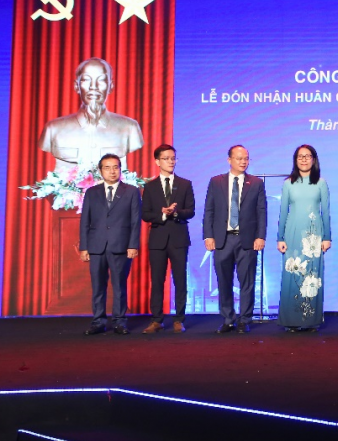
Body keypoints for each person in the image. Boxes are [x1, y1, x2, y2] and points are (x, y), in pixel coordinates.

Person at [203, 145, 266, 334]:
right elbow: (209, 210)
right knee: (224, 281)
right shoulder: (216, 182)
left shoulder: (256, 183)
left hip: (247, 240)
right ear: (229, 160)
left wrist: (260, 236)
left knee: (247, 282)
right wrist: (208, 235)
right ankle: (228, 319)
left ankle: (244, 319)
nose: (243, 162)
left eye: (246, 158)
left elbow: (261, 211)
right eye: (239, 158)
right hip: (222, 239)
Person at [39, 57, 143, 170]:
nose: (93, 86)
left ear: (111, 86)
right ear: (76, 86)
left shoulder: (129, 128)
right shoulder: (53, 129)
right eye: (86, 80)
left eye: (101, 80)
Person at [79, 153, 141, 335]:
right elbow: (85, 221)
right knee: (98, 286)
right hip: (96, 246)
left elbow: (135, 221)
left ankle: (120, 321)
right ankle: (98, 321)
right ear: (100, 171)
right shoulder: (92, 192)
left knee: (119, 285)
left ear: (120, 169)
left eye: (115, 167)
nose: (112, 171)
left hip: (121, 246)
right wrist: (84, 247)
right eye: (107, 168)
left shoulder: (131, 191)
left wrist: (133, 245)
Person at [277, 145, 332, 332]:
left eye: (308, 156)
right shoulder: (288, 183)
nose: (304, 159)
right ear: (295, 160)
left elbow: (326, 212)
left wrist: (327, 237)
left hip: (313, 236)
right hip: (292, 234)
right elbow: (283, 212)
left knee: (312, 276)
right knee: (292, 274)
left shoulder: (321, 183)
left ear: (314, 159)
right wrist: (280, 237)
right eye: (300, 156)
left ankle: (309, 320)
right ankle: (291, 321)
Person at [141, 144, 195, 334]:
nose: (171, 161)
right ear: (157, 161)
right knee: (157, 280)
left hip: (179, 238)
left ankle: (179, 319)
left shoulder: (185, 184)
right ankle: (157, 320)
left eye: (173, 158)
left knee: (180, 280)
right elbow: (145, 214)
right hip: (158, 239)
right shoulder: (150, 186)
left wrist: (176, 212)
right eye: (166, 158)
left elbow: (190, 211)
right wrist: (163, 214)